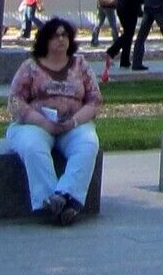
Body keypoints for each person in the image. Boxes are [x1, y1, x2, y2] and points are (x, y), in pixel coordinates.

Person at [6, 18, 102, 226]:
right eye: (55, 35)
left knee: (88, 144)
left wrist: (74, 122)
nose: (61, 39)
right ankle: (51, 201)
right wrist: (43, 122)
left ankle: (67, 197)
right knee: (33, 146)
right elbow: (15, 101)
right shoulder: (30, 66)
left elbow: (94, 101)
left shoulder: (81, 65)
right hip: (36, 124)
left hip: (72, 125)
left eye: (64, 35)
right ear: (45, 40)